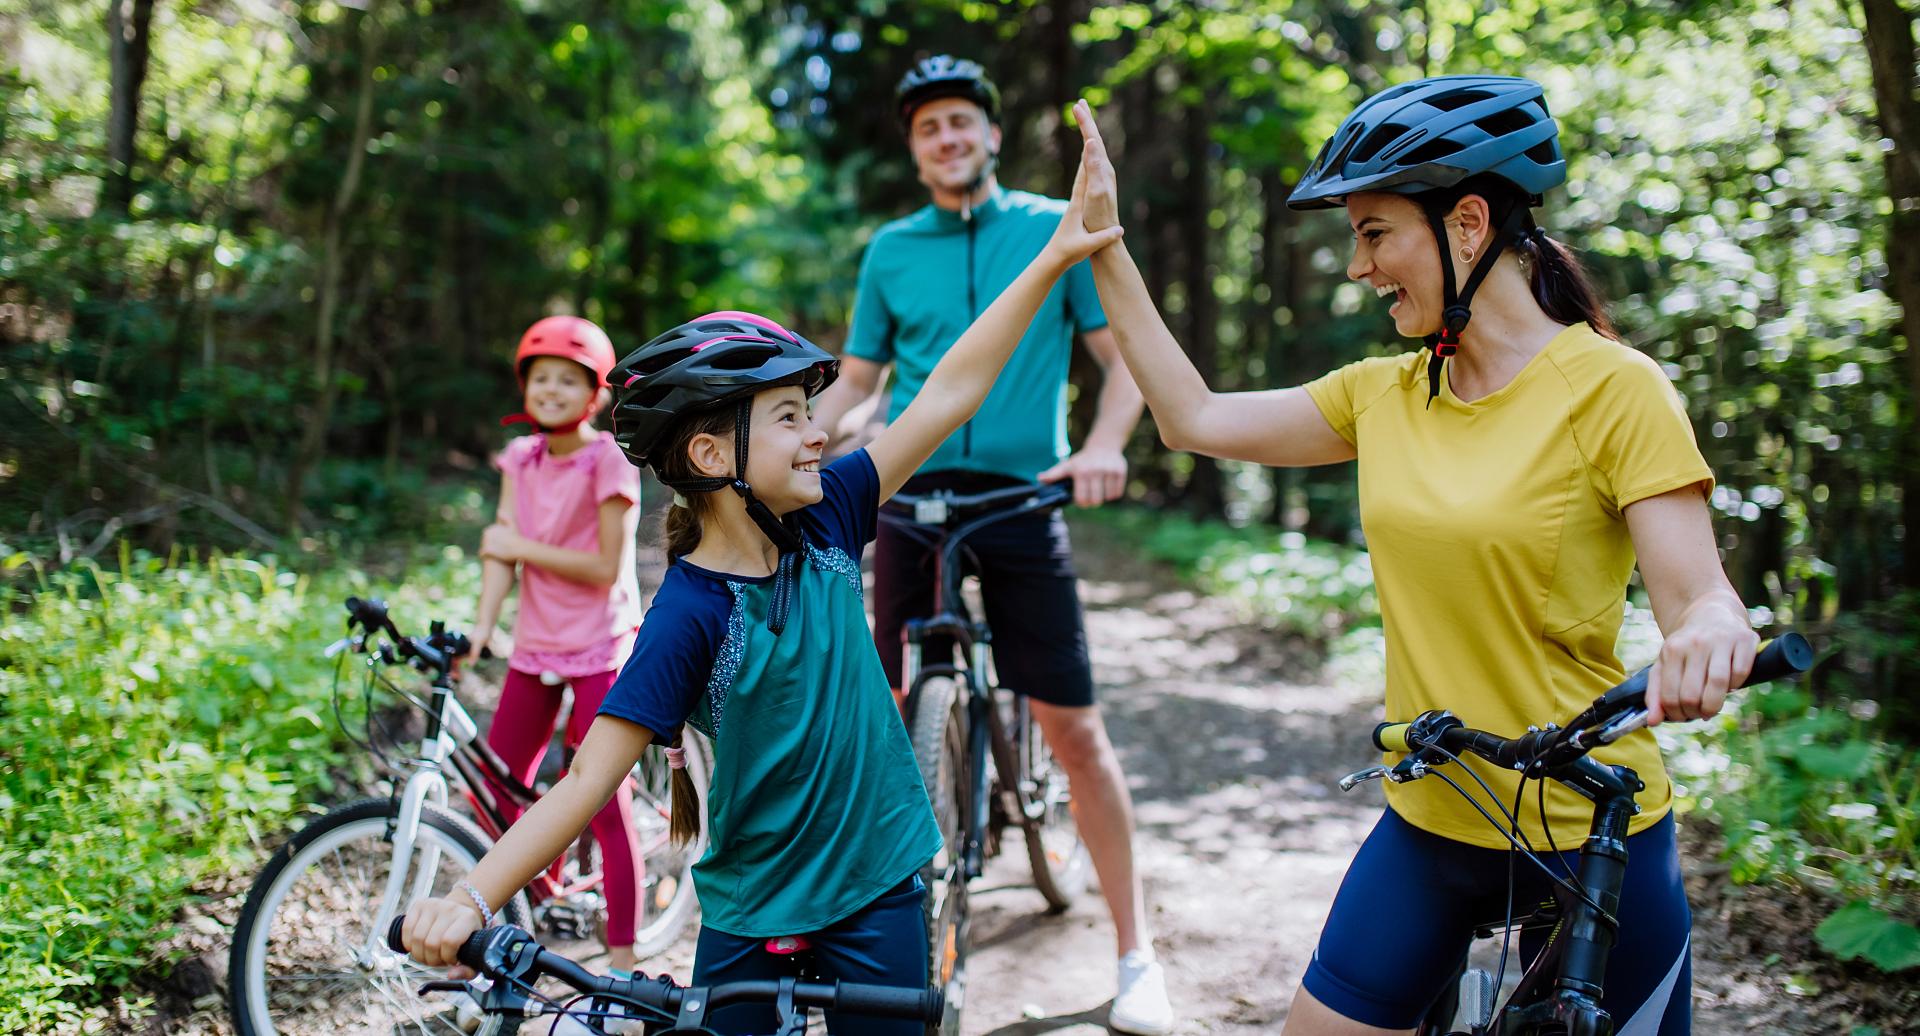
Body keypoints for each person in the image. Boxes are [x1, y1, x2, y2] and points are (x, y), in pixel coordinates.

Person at [1064, 78, 1757, 1036]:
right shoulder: (1383, 393)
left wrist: (1714, 633)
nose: (1358, 266)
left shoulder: (1615, 390)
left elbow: (1700, 599)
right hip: (1436, 814)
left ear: (1467, 224)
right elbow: (1194, 418)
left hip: (1597, 832)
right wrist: (1105, 246)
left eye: (1376, 232)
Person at [401, 171, 1125, 1036]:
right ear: (711, 455)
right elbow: (588, 778)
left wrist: (1053, 257)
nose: (820, 431)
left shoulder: (831, 518)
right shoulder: (688, 614)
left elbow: (949, 390)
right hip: (751, 908)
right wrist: (472, 895)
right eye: (788, 417)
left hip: (877, 883)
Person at [808, 56, 1170, 1036]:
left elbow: (1121, 361)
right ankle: (876, 922)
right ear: (914, 147)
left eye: (962, 122)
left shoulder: (1048, 227)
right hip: (908, 493)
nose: (948, 138)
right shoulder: (891, 248)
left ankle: (1138, 956)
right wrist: (808, 437)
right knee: (885, 708)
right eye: (929, 128)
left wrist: (1101, 445)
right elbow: (856, 380)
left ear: (991, 134)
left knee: (1076, 732)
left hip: (1021, 496)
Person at [466, 314, 646, 974]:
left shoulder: (608, 461)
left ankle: (624, 961)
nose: (550, 391)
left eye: (567, 381)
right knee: (494, 789)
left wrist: (519, 546)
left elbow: (605, 566)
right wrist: (483, 629)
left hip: (600, 642)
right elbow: (499, 548)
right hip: (536, 645)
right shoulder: (521, 458)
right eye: (539, 379)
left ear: (595, 392)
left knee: (601, 797)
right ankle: (494, 935)